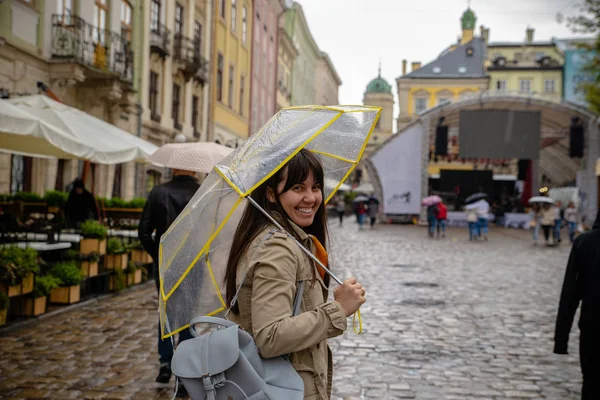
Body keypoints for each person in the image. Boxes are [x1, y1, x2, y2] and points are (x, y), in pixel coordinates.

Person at [224, 149, 366, 400]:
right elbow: (270, 336)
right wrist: (338, 309)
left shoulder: (287, 240)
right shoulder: (278, 248)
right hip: (286, 388)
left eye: (316, 187)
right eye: (298, 188)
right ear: (270, 194)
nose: (311, 197)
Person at [138, 168, 200, 395]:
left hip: (165, 263)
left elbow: (144, 231)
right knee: (189, 313)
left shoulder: (157, 192)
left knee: (165, 311)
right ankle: (184, 370)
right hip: (192, 261)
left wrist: (158, 255)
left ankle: (165, 363)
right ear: (193, 168)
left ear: (174, 168)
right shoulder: (202, 191)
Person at [554, 210, 600, 399]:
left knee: (592, 384)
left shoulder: (585, 243)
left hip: (594, 329)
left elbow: (570, 294)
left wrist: (561, 339)